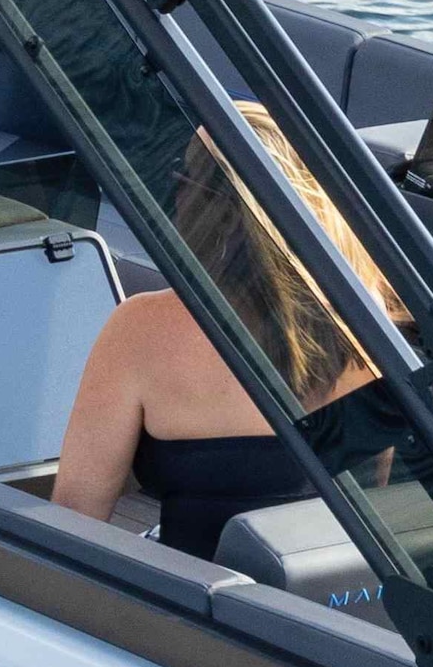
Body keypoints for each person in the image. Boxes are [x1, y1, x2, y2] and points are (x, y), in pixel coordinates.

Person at [54, 104, 403, 555]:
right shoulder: (371, 323)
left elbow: (76, 516)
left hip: (203, 609)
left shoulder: (141, 331)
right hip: (338, 606)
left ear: (193, 200)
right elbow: (383, 492)